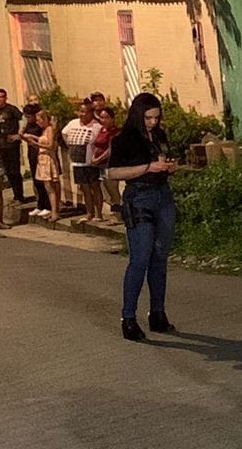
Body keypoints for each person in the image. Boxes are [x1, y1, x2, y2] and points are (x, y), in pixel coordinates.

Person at [107, 92, 178, 341]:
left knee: (160, 256)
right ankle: (128, 317)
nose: (153, 122)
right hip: (139, 197)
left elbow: (166, 158)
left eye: (157, 117)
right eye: (148, 117)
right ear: (138, 115)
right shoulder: (124, 139)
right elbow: (113, 172)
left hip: (162, 195)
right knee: (140, 257)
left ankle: (158, 313)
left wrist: (169, 166)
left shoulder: (159, 135)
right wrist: (147, 167)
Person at [63, 99, 104, 224]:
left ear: (91, 113)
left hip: (91, 162)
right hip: (77, 162)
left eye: (85, 112)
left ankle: (98, 213)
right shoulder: (73, 123)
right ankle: (89, 213)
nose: (82, 115)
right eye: (80, 112)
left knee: (95, 187)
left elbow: (100, 143)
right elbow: (64, 134)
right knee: (84, 188)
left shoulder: (96, 126)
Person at [23, 108, 62, 223]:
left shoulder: (49, 129)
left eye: (39, 120)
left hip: (48, 159)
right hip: (42, 158)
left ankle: (54, 211)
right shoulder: (45, 130)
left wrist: (35, 143)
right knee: (49, 187)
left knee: (50, 187)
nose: (37, 122)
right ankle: (54, 210)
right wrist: (31, 137)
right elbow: (42, 141)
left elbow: (50, 145)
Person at [0, 87, 26, 205]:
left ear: (5, 98)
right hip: (1, 146)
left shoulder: (11, 109)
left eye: (1, 97)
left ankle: (19, 196)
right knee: (7, 172)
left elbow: (23, 119)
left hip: (12, 145)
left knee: (15, 171)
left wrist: (19, 134)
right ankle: (15, 196)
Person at [89, 106, 121, 225]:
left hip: (110, 163)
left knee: (113, 191)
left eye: (107, 117)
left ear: (112, 118)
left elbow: (110, 150)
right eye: (101, 118)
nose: (104, 120)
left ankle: (119, 215)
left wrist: (97, 159)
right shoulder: (102, 130)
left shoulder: (114, 132)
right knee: (107, 191)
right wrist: (94, 158)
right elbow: (97, 145)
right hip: (101, 165)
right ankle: (116, 212)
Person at [22, 100, 51, 214]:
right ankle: (40, 204)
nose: (28, 119)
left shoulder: (40, 126)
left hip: (41, 154)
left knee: (44, 181)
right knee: (36, 181)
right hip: (32, 153)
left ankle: (47, 205)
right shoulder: (28, 124)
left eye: (29, 117)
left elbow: (43, 139)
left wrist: (31, 136)